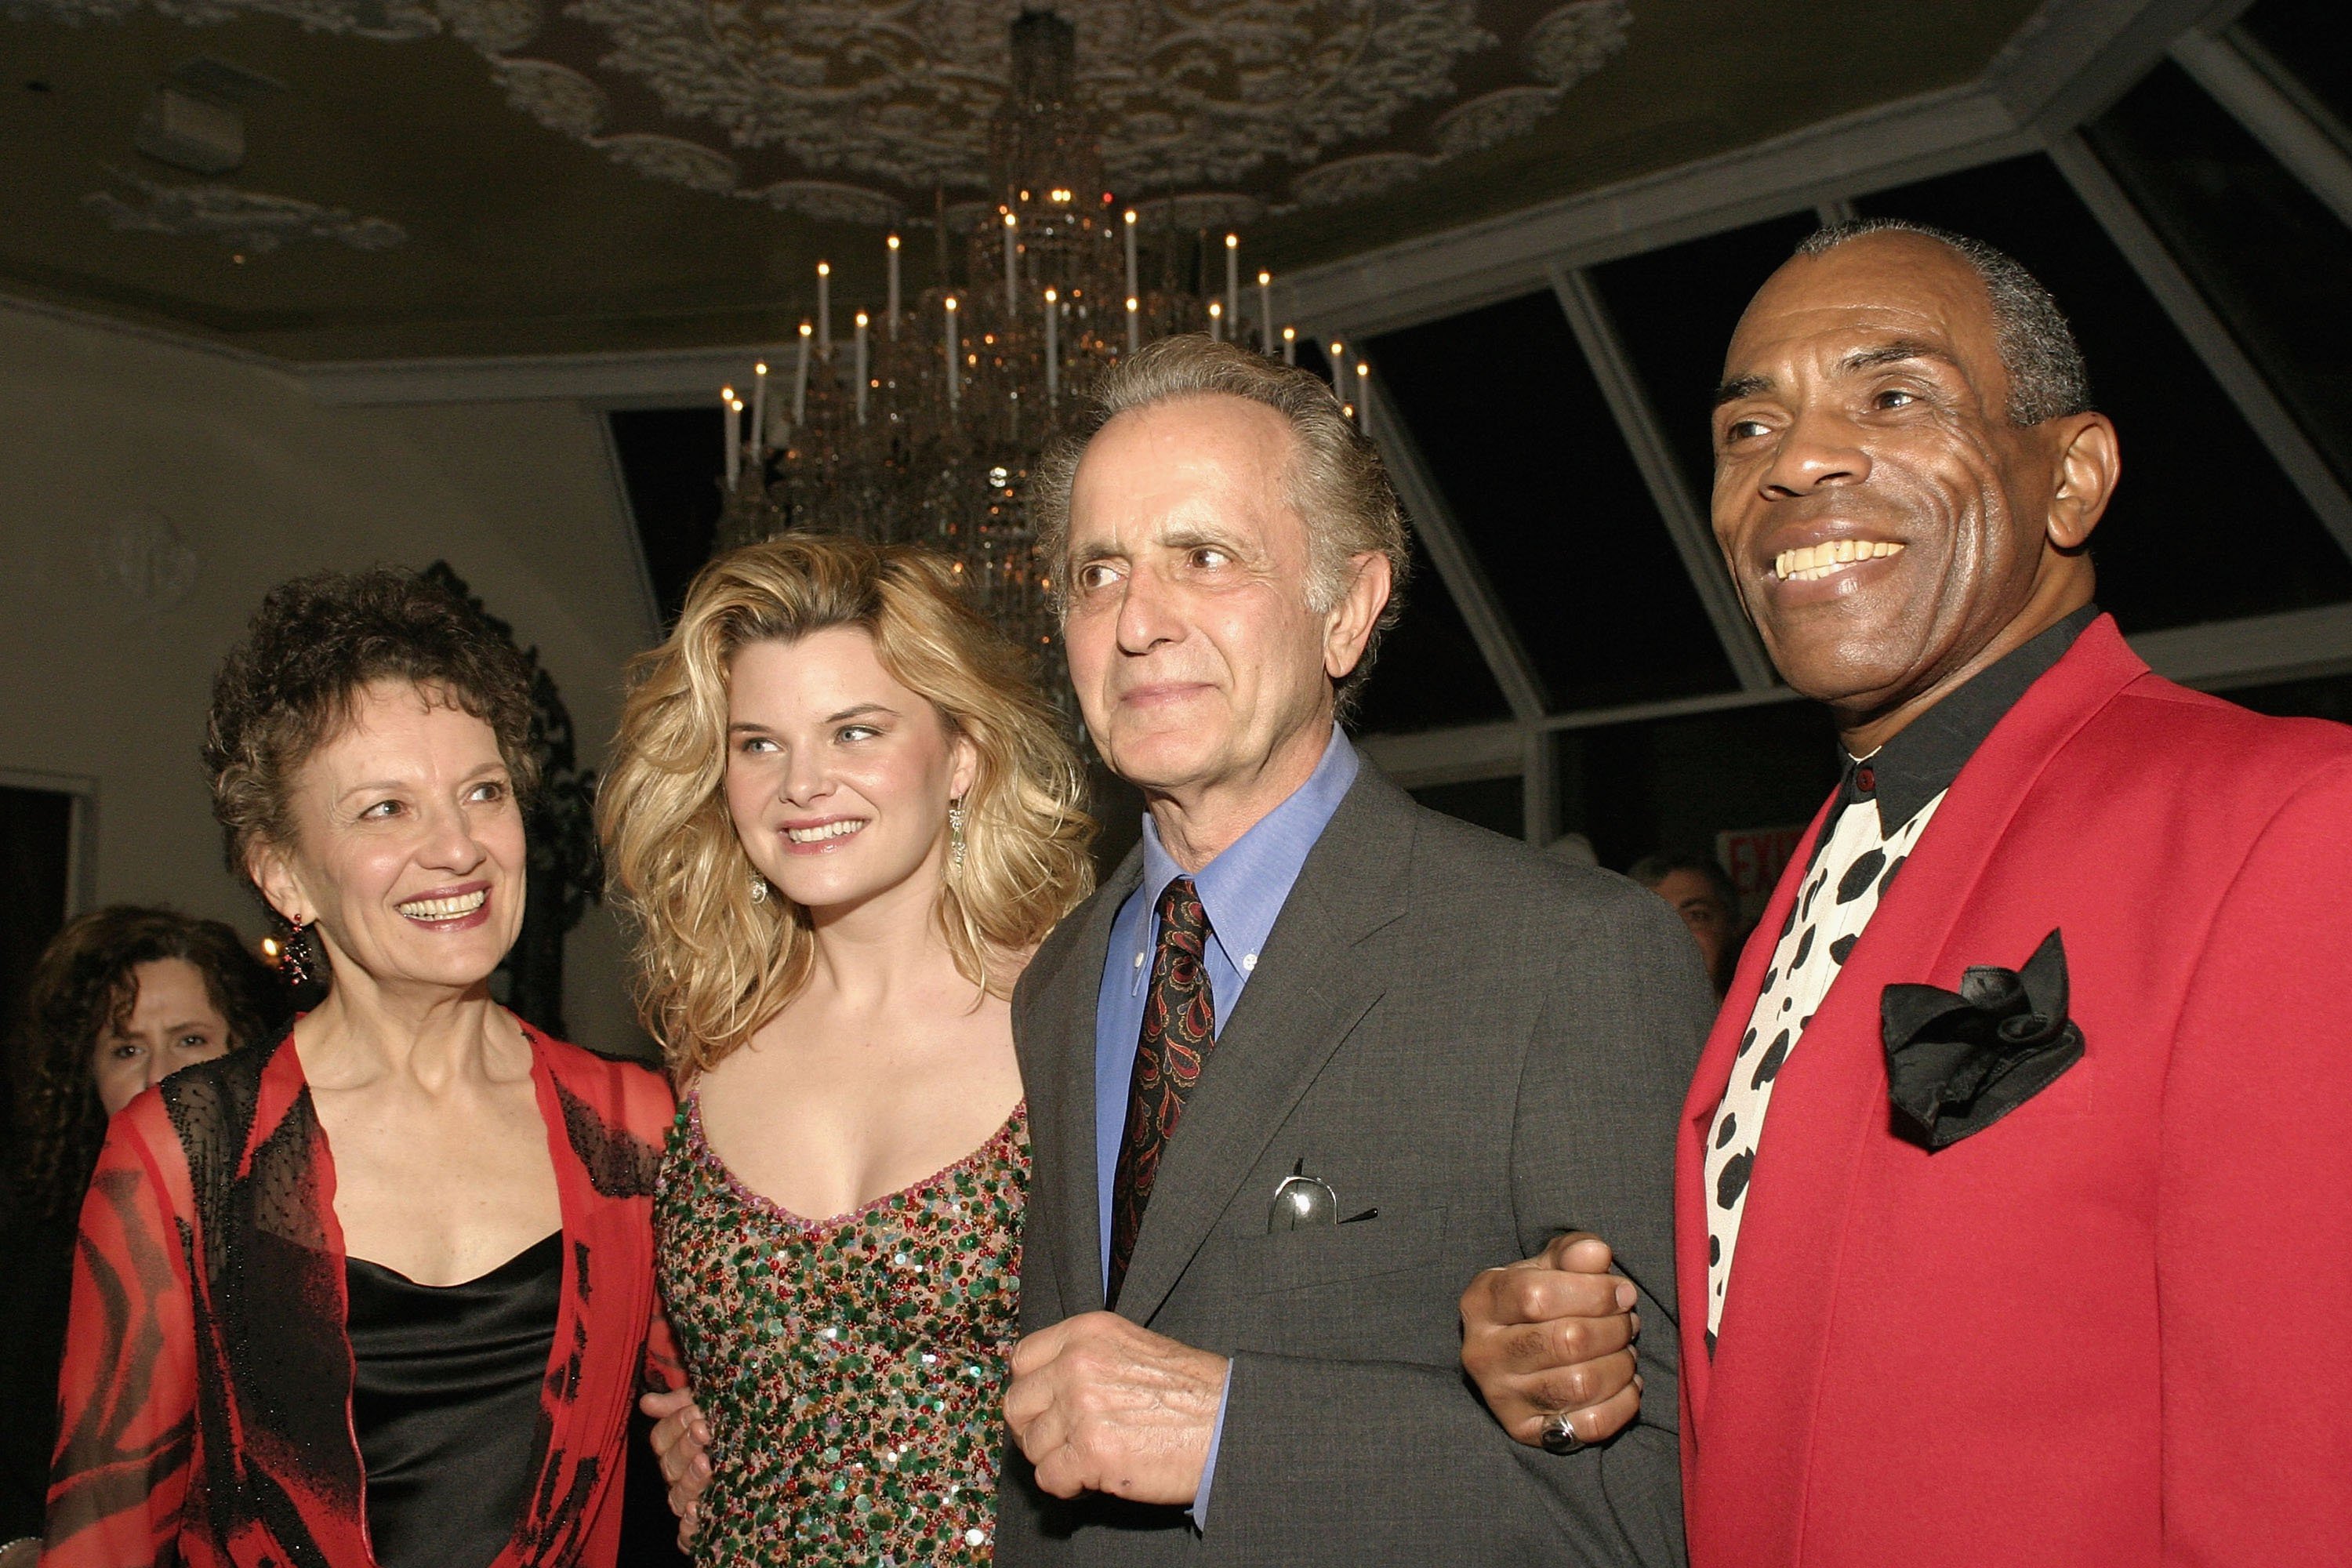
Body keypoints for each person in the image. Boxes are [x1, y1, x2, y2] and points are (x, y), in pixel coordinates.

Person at [1461, 221, 2352, 1563]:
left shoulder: (2289, 823)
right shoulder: (1826, 869)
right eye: (1747, 429)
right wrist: (1584, 1348)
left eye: (1893, 397)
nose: (1797, 462)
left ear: (2072, 476)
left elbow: (2300, 1480)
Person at [983, 336, 1710, 1565]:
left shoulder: (1569, 960)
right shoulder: (1062, 980)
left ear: (1350, 609)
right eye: (1095, 573)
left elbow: (1653, 1506)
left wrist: (1233, 1438)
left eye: (1204, 558)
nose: (1139, 621)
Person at [42, 568, 680, 1568]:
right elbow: (107, 1530)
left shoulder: (634, 1124)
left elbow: (735, 1423)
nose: (458, 845)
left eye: (483, 791)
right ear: (285, 874)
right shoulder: (185, 1151)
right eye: (386, 809)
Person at [599, 535, 1094, 1565]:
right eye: (759, 744)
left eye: (855, 731)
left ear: (961, 754)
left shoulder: (1076, 1019)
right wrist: (682, 1428)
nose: (802, 785)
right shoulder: (703, 1045)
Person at [0, 907, 281, 1568]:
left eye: (190, 1040)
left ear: (247, 1053)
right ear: (86, 1080)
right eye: (126, 1050)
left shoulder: (321, 1240)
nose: (161, 1077)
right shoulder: (35, 1267)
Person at [1626, 852, 1740, 994]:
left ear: (1732, 927)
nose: (1672, 936)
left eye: (1695, 916)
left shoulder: (1768, 1014)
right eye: (1651, 919)